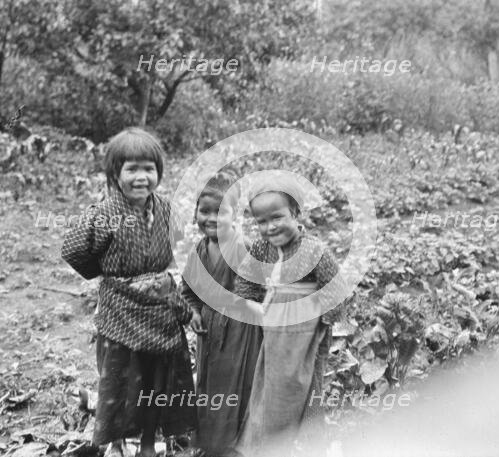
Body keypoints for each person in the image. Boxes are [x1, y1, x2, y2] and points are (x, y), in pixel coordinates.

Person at [61, 127, 196, 457]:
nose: (142, 177)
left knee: (156, 381)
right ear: (115, 173)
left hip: (160, 310)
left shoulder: (165, 209)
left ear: (159, 172)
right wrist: (109, 277)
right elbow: (74, 250)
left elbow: (178, 245)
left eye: (149, 168)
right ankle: (116, 442)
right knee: (120, 381)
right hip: (120, 310)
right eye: (132, 169)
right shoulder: (105, 214)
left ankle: (149, 444)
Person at [233, 174, 346, 456]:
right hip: (274, 333)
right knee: (272, 385)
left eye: (277, 217)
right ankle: (269, 442)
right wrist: (256, 307)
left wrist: (322, 324)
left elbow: (335, 289)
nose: (270, 227)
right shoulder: (262, 248)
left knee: (308, 384)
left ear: (295, 213)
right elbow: (245, 281)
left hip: (308, 335)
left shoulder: (314, 250)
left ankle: (309, 444)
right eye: (261, 221)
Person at [180, 171, 263, 457]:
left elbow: (264, 293)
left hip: (241, 334)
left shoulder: (246, 250)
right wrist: (192, 312)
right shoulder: (199, 252)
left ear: (235, 215)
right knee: (209, 386)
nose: (212, 219)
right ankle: (210, 443)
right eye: (205, 211)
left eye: (221, 212)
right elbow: (187, 290)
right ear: (195, 214)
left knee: (236, 386)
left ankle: (235, 445)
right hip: (209, 334)